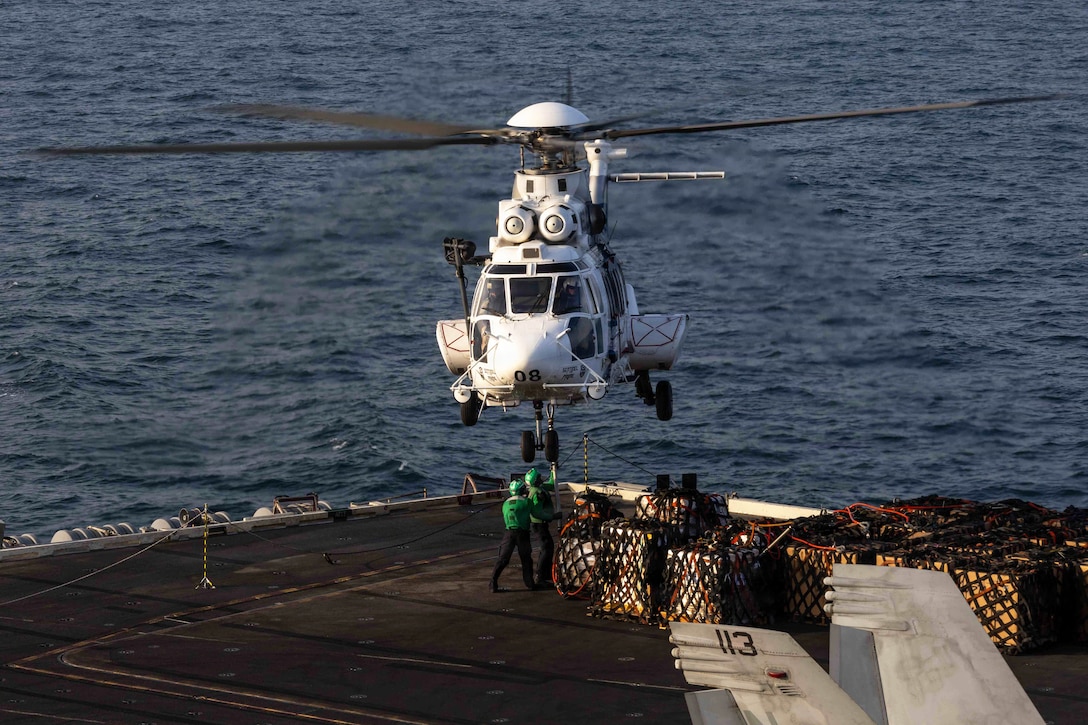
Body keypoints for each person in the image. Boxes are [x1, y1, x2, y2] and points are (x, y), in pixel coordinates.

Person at [490, 478, 535, 592]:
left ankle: (493, 583)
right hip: (522, 533)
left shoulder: (505, 504)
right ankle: (529, 583)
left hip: (509, 533)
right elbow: (536, 514)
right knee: (526, 559)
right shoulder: (527, 502)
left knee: (503, 559)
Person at [525, 466, 562, 585]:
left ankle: (546, 573)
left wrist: (553, 471)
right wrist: (553, 516)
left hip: (542, 525)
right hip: (538, 525)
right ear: (535, 480)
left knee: (548, 547)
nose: (541, 478)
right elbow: (537, 512)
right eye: (539, 477)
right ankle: (540, 576)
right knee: (546, 548)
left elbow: (551, 484)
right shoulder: (537, 493)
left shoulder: (540, 488)